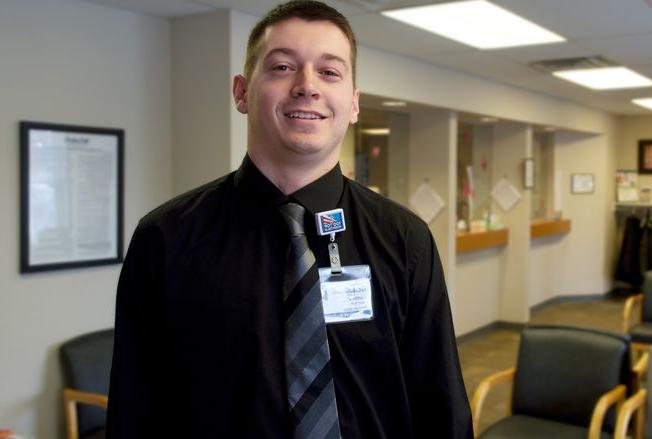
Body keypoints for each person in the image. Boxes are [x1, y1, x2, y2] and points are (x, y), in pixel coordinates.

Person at [106, 1, 473, 437]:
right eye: (282, 67)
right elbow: (136, 408)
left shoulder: (404, 238)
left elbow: (439, 404)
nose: (307, 86)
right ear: (242, 92)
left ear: (353, 103)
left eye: (330, 72)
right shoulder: (165, 238)